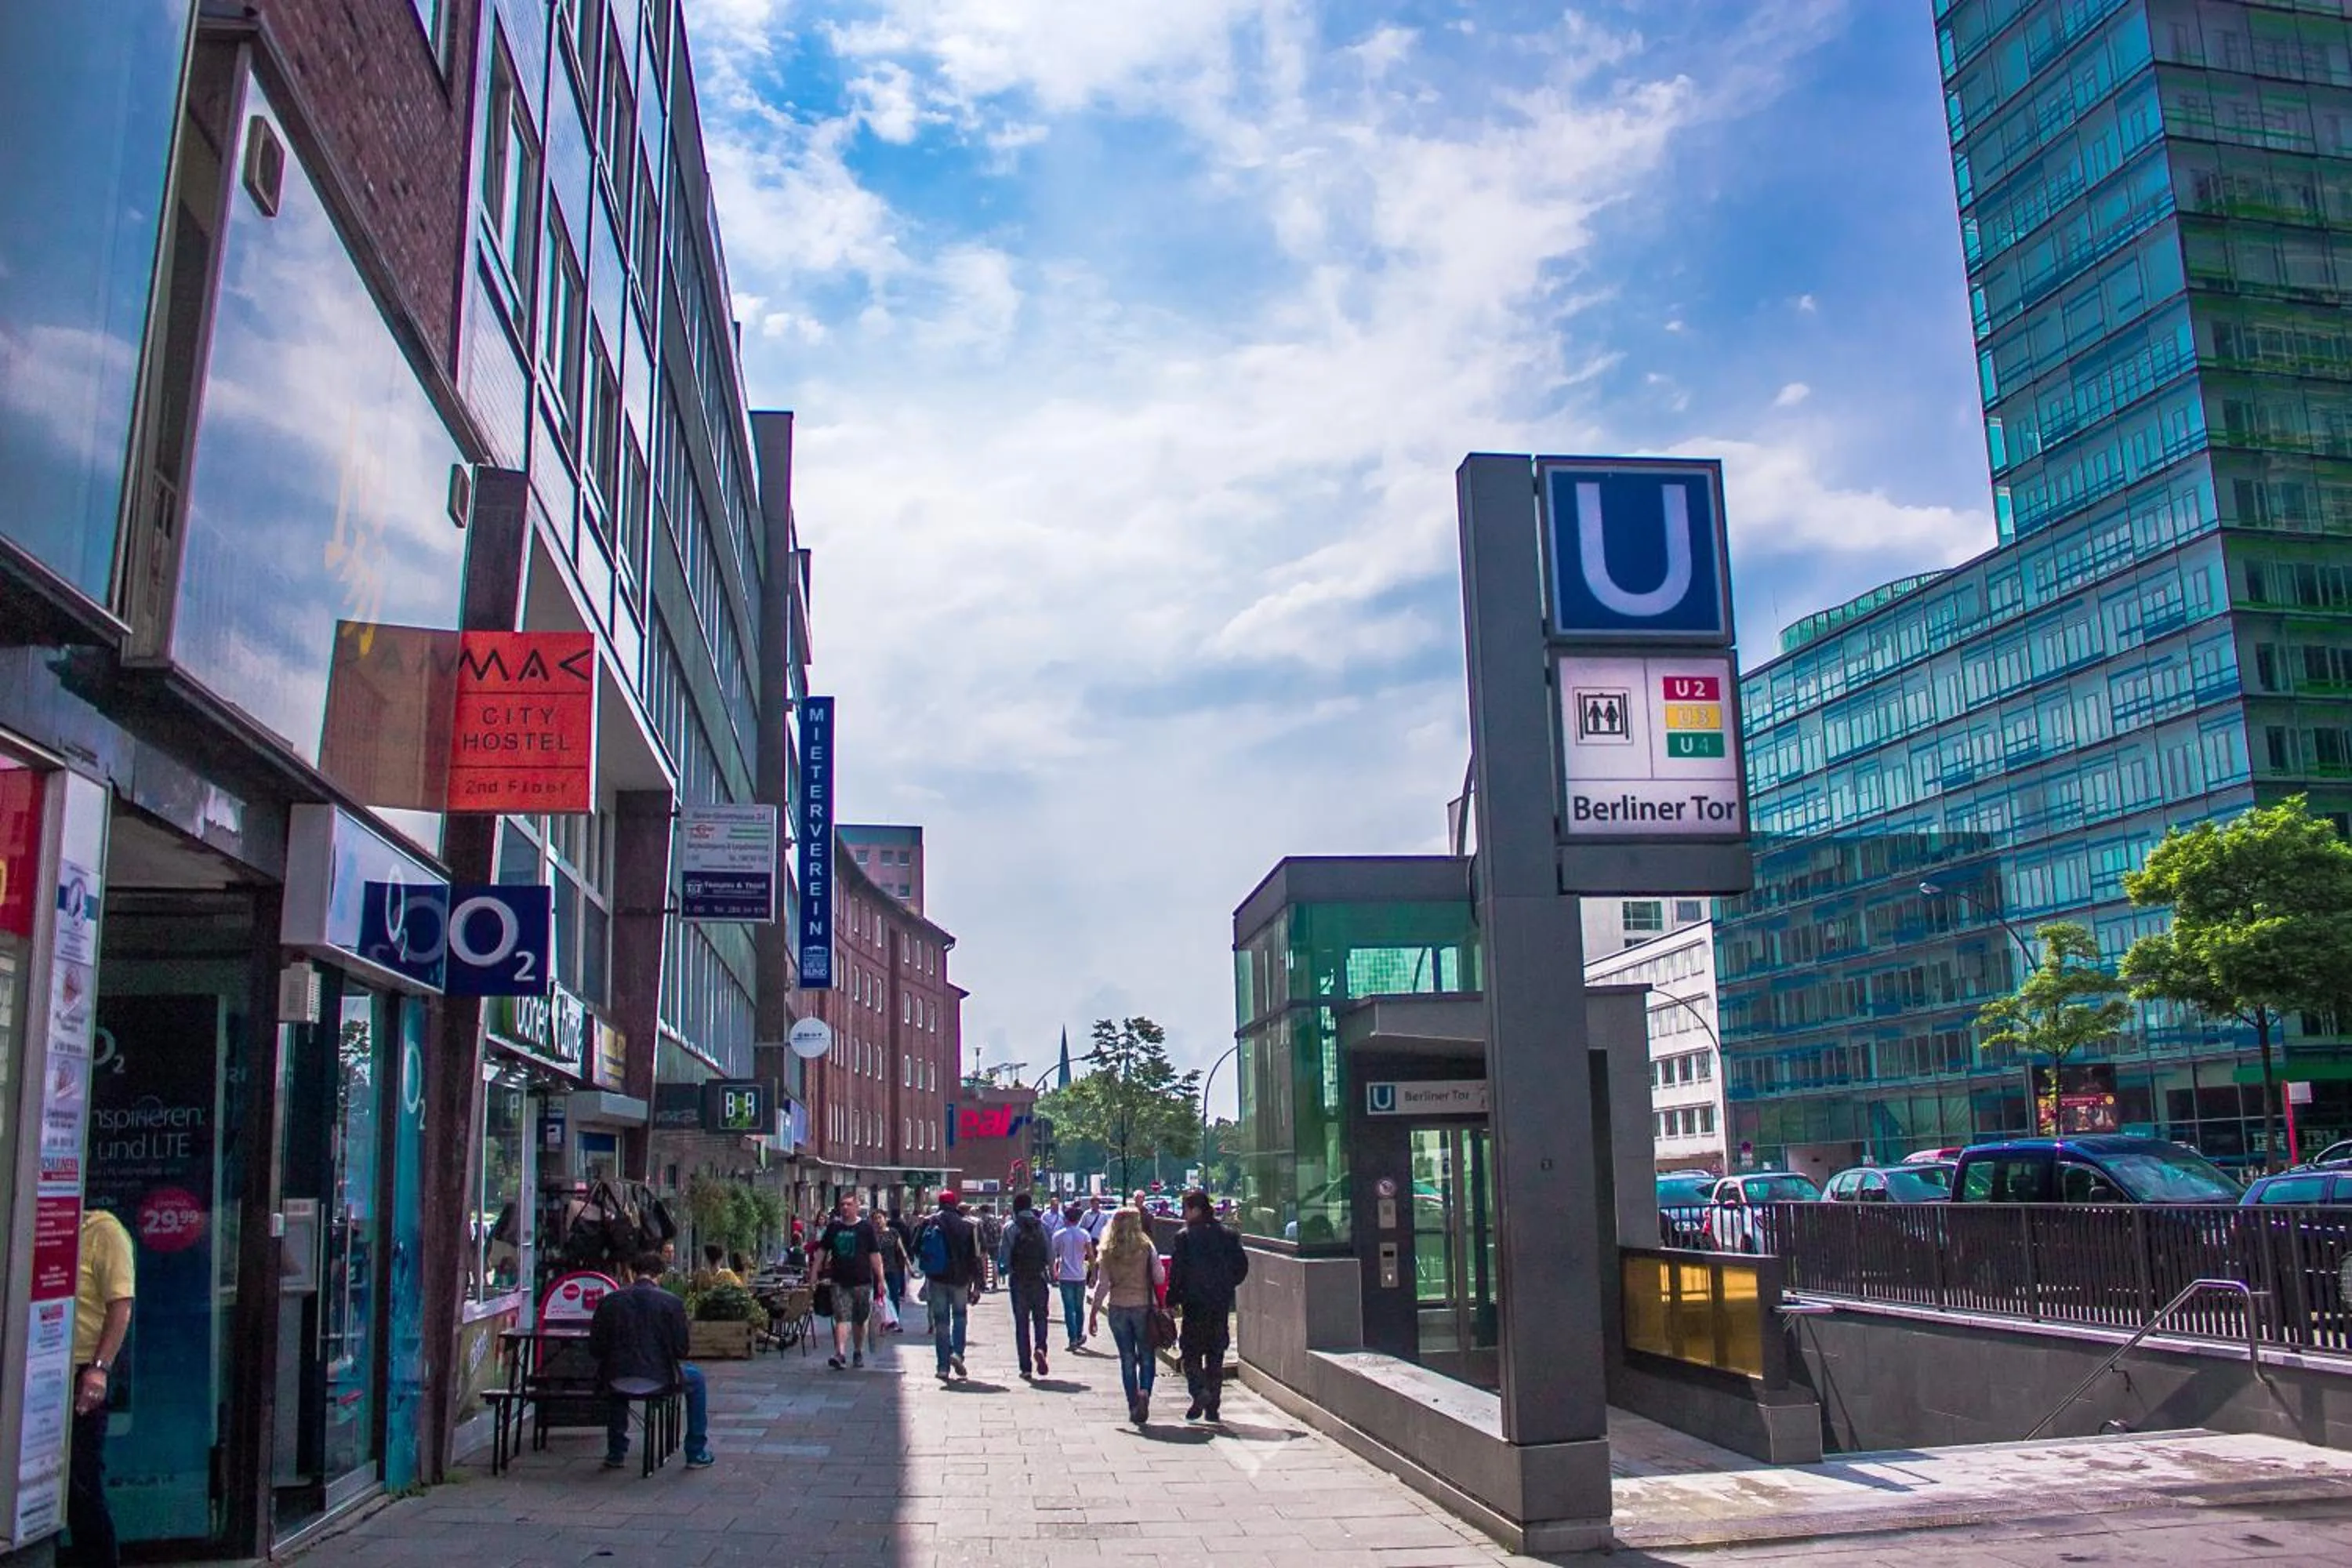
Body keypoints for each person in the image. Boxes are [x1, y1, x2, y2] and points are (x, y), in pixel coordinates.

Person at [587, 1251, 713, 1470]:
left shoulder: (610, 1301)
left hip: (615, 1379)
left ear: (633, 1273)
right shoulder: (672, 1303)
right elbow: (682, 1350)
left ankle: (616, 1452)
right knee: (697, 1379)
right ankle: (695, 1451)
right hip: (660, 1378)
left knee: (617, 1378)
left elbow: (596, 1348)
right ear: (660, 1275)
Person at [66, 1207, 134, 1567]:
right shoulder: (41, 1226)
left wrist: (99, 1369)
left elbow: (121, 1306)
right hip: (43, 1364)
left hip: (84, 1367)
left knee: (82, 1479)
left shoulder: (103, 1231)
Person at [1166, 1188, 1250, 1423]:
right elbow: (1241, 1267)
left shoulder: (1184, 1237)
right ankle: (1213, 1407)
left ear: (1195, 1210)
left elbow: (1177, 1272)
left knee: (1190, 1354)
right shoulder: (1228, 1235)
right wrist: (1227, 1286)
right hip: (1219, 1304)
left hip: (1194, 1305)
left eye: (1186, 1209)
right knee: (1215, 1355)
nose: (1183, 1214)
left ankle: (1199, 1390)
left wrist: (1172, 1299)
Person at [1088, 1207, 1163, 1425]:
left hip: (1118, 1308)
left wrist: (1094, 1313)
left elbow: (1102, 1285)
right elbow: (1159, 1278)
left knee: (1127, 1357)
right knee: (1147, 1354)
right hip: (1143, 1307)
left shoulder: (1108, 1250)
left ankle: (1133, 1404)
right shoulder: (1147, 1248)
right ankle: (1144, 1392)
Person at [913, 1190, 982, 1383]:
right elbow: (976, 1257)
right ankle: (957, 1353)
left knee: (941, 1322)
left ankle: (942, 1367)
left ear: (940, 1203)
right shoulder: (968, 1225)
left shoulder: (929, 1222)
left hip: (937, 1278)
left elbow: (915, 1248)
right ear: (955, 1203)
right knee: (960, 1317)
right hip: (961, 1280)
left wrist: (930, 1262)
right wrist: (978, 1285)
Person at [815, 1192, 884, 1370]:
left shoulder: (866, 1228)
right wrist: (814, 1272)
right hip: (839, 1281)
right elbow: (822, 1251)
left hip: (862, 1281)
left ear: (857, 1207)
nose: (845, 1208)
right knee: (841, 1316)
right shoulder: (834, 1227)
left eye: (849, 1204)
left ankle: (858, 1351)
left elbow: (875, 1255)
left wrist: (880, 1279)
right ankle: (840, 1354)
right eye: (842, 1205)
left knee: (859, 1319)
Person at [1001, 1193, 1054, 1380]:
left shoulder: (1010, 1227)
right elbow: (1050, 1254)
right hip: (1039, 1278)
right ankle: (1041, 1348)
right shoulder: (1043, 1226)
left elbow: (1004, 1258)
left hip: (1018, 1280)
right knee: (1041, 1318)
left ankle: (1025, 1367)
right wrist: (1051, 1273)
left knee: (1022, 1323)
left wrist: (1008, 1270)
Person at [1051, 1202, 1093, 1352]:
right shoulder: (1084, 1234)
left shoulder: (1059, 1235)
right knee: (1079, 1307)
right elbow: (1091, 1255)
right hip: (1080, 1275)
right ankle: (1079, 1334)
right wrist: (1093, 1274)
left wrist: (1053, 1271)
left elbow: (1053, 1255)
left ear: (1066, 1219)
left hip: (1065, 1275)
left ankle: (1072, 1338)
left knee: (1069, 1309)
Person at [878, 1210, 911, 1327]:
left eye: (880, 1218)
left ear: (885, 1218)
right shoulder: (871, 1234)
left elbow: (901, 1250)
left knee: (894, 1295)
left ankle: (895, 1320)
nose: (878, 1221)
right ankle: (882, 1321)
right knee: (879, 1296)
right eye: (875, 1219)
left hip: (892, 1268)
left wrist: (909, 1267)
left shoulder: (893, 1232)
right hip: (877, 1270)